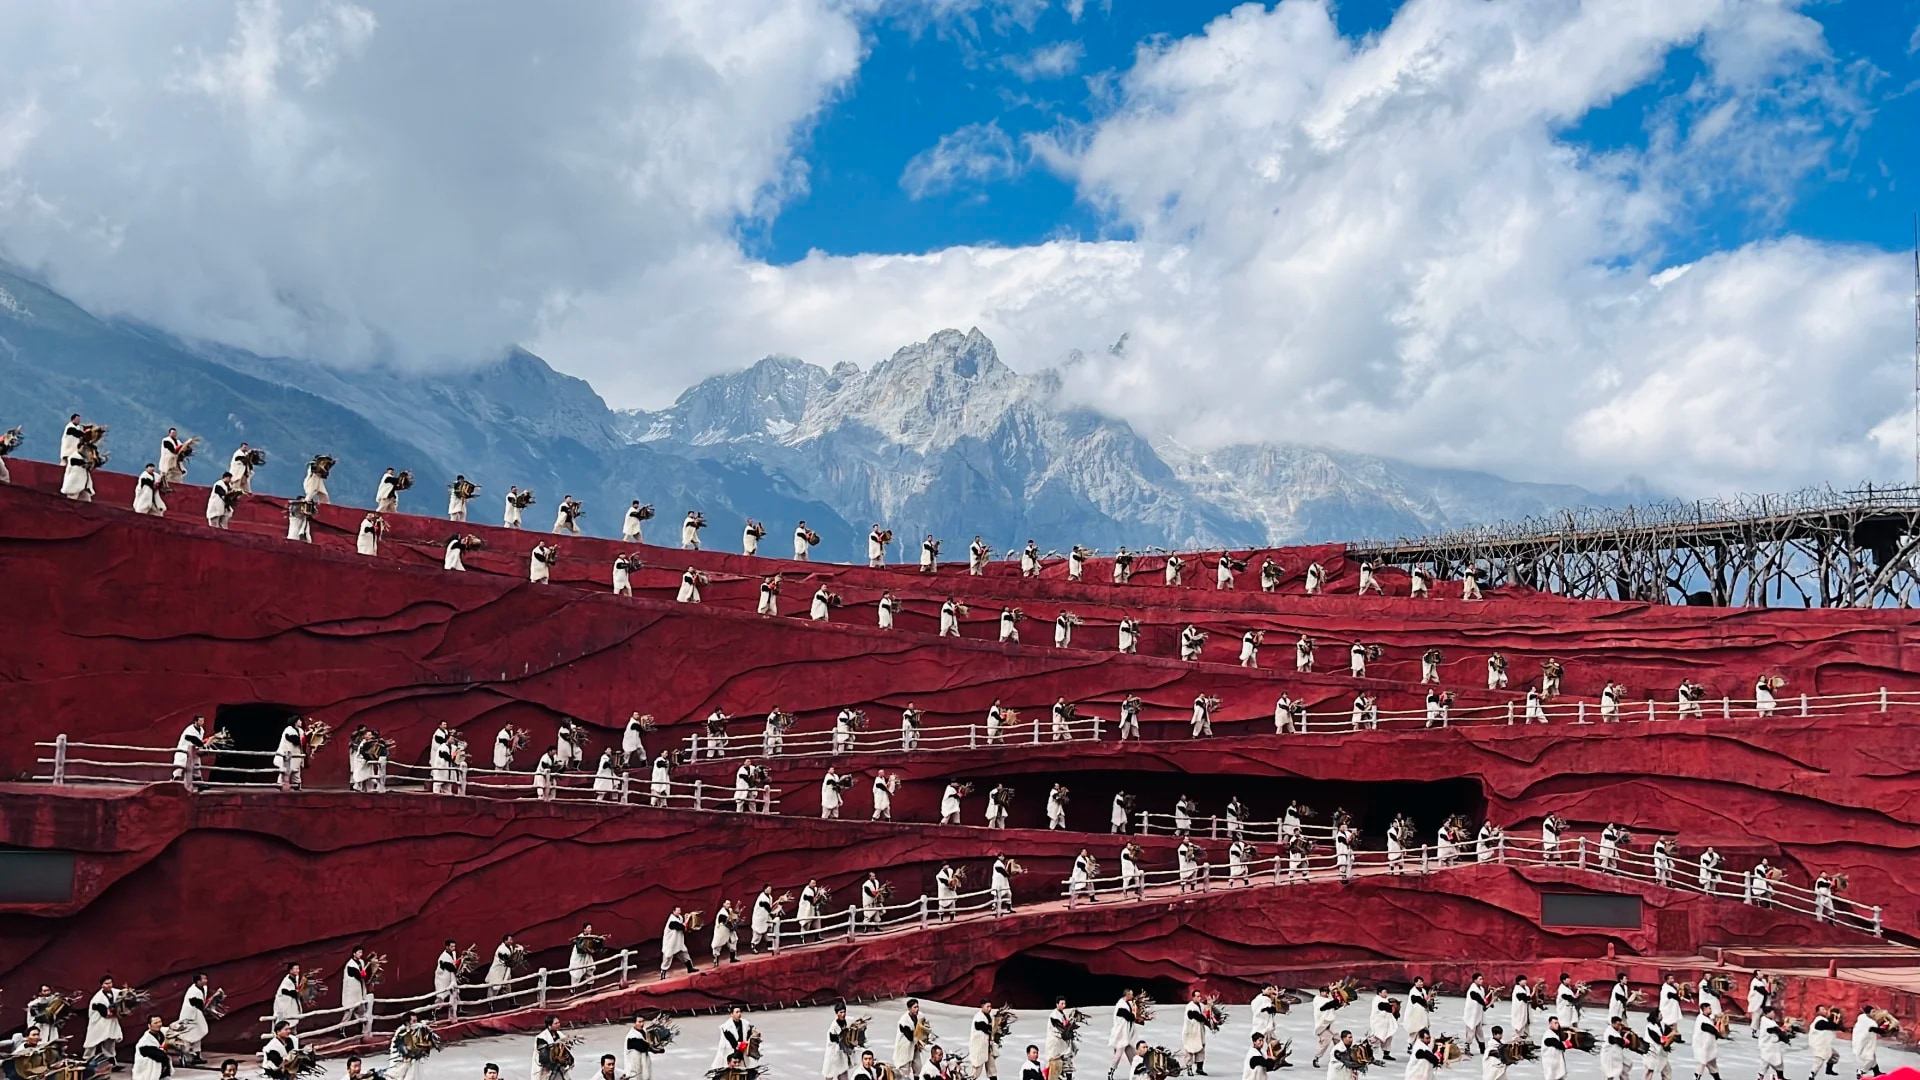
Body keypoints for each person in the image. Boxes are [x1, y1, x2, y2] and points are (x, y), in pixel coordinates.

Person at [175, 974, 212, 1066]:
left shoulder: (204, 988)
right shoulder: (192, 991)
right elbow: (198, 1004)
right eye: (204, 979)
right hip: (189, 1016)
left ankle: (196, 1055)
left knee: (198, 1032)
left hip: (197, 1015)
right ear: (198, 981)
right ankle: (184, 1055)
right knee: (188, 1035)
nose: (206, 980)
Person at [1850, 1005, 1889, 1079]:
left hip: (1863, 1041)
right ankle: (1861, 1071)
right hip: (1863, 1043)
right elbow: (1878, 1030)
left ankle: (1876, 1072)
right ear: (1868, 1013)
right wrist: (1885, 1027)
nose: (1875, 1013)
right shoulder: (1869, 1022)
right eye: (1873, 1012)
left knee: (1873, 1057)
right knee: (1870, 1059)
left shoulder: (1862, 1017)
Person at [1107, 991, 1138, 1080]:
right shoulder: (1121, 1006)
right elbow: (1130, 1017)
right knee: (1118, 1055)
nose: (1132, 996)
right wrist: (1136, 1015)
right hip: (1121, 1036)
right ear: (1126, 995)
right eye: (1131, 994)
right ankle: (1111, 1071)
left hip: (1127, 1036)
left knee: (1133, 1055)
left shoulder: (1128, 1003)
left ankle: (1137, 1072)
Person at [1180, 990, 1210, 1075]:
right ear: (1193, 997)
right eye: (1197, 996)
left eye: (1200, 996)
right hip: (1191, 1032)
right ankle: (1188, 1068)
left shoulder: (1201, 1006)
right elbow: (1197, 1016)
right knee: (1190, 1049)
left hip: (1200, 1031)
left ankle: (1199, 1068)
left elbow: (1207, 1013)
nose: (1199, 998)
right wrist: (1205, 1018)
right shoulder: (1190, 1007)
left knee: (1201, 1048)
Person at [970, 1000, 1001, 1079]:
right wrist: (993, 1029)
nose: (989, 1008)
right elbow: (984, 1027)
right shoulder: (978, 1017)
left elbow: (992, 1028)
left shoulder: (989, 1016)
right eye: (987, 1006)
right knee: (976, 1070)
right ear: (982, 1006)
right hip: (980, 1047)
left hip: (988, 1047)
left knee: (992, 1069)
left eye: (990, 1006)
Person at [825, 1002, 854, 1080]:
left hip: (841, 1056)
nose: (843, 1014)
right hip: (833, 1055)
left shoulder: (846, 1021)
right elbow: (837, 1039)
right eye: (840, 1012)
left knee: (843, 1074)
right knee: (829, 1075)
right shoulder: (833, 1027)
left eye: (844, 1012)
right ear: (836, 1013)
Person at [1693, 1002, 1722, 1080]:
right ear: (1704, 1009)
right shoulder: (1701, 1019)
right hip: (1702, 1046)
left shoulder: (1708, 1018)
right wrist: (1718, 1033)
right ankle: (1697, 1077)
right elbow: (1708, 1028)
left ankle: (1717, 1078)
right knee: (1702, 1062)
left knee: (1712, 1064)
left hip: (1709, 1047)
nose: (1711, 1010)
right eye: (1709, 1008)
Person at [625, 1015, 659, 1080]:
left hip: (644, 1065)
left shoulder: (643, 1032)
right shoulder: (631, 1036)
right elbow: (643, 1047)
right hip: (634, 1068)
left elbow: (647, 1046)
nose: (642, 1024)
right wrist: (654, 1047)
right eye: (639, 1022)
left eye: (643, 1022)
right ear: (634, 1023)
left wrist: (657, 1048)